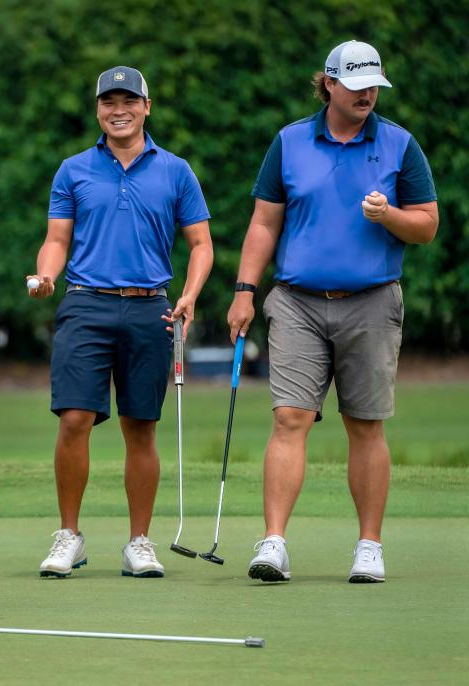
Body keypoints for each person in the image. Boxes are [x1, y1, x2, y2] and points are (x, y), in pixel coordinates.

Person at [227, 40, 438, 584]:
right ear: (328, 83)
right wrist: (245, 289)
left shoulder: (399, 145)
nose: (367, 93)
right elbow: (264, 223)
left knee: (365, 425)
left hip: (372, 302)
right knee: (288, 418)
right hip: (297, 301)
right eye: (356, 84)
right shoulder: (290, 142)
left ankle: (369, 546)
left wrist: (389, 214)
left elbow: (427, 225)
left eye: (374, 85)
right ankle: (273, 542)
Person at [28, 66, 214, 579]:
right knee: (74, 420)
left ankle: (139, 542)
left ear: (146, 107)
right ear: (97, 110)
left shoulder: (176, 171)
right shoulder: (74, 169)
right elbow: (57, 239)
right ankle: (69, 535)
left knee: (141, 426)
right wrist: (47, 275)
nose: (119, 109)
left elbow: (201, 245)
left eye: (128, 100)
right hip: (86, 303)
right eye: (108, 101)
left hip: (151, 307)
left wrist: (191, 296)